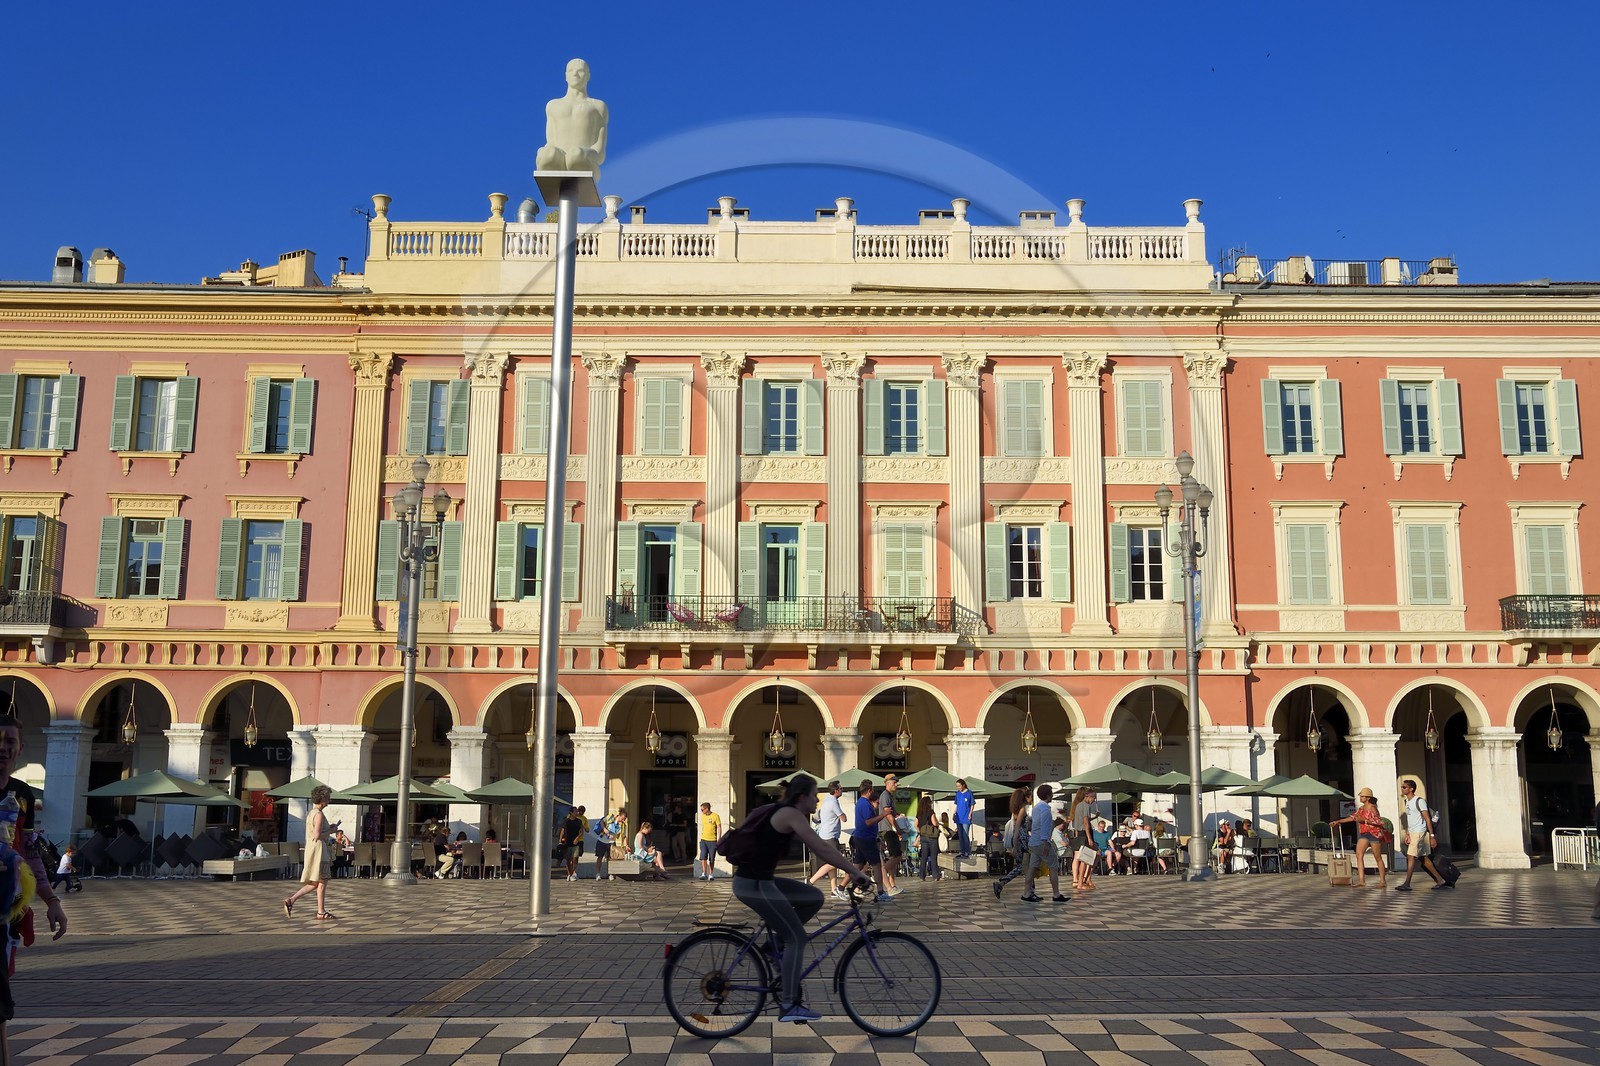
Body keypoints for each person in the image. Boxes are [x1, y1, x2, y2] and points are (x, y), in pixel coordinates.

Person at [731, 775, 872, 1025]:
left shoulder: (791, 813)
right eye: (814, 794)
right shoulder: (791, 814)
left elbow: (822, 849)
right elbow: (823, 848)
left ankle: (773, 945)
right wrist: (855, 871)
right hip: (754, 884)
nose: (817, 798)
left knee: (813, 896)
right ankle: (788, 1004)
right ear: (801, 797)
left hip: (763, 882)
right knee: (797, 937)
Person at [535, 58, 609, 178]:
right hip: (558, 159)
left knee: (575, 155)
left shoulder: (598, 106)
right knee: (549, 154)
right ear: (566, 75)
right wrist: (544, 153)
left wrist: (587, 155)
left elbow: (599, 148)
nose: (575, 73)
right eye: (571, 70)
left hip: (584, 158)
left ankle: (575, 159)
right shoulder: (553, 106)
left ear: (588, 76)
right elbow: (551, 141)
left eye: (580, 71)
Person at [283, 785, 336, 920]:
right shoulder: (319, 814)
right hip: (319, 851)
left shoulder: (311, 813)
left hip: (312, 849)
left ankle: (292, 900)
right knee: (322, 881)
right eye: (328, 797)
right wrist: (332, 831)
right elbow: (317, 835)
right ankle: (320, 911)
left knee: (316, 882)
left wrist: (327, 828)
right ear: (323, 799)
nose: (329, 800)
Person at [1397, 779, 1449, 892]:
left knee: (1411, 856)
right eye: (1402, 787)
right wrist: (1408, 833)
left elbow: (1427, 819)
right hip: (1413, 832)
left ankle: (1407, 883)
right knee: (1423, 858)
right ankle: (1440, 880)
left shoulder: (1419, 801)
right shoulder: (1407, 802)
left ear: (1411, 789)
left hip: (1419, 831)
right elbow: (1410, 819)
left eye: (1404, 787)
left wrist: (1432, 836)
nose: (1402, 788)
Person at [1331, 788, 1388, 888]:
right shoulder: (1361, 809)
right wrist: (1338, 821)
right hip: (1364, 834)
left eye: (1362, 796)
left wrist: (1364, 820)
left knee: (1377, 857)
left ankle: (1383, 881)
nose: (1360, 798)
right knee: (1359, 855)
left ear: (1368, 798)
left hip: (1374, 833)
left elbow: (1379, 822)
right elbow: (1352, 817)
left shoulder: (1372, 808)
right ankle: (1362, 880)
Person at [848, 782, 892, 902]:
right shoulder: (865, 804)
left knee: (857, 866)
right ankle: (881, 892)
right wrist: (883, 815)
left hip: (860, 837)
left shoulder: (860, 803)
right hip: (866, 838)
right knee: (876, 865)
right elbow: (868, 822)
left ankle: (845, 888)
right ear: (869, 791)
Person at [806, 781, 851, 898]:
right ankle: (811, 881)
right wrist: (843, 815)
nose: (842, 790)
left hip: (826, 835)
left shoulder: (827, 800)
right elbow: (844, 818)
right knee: (834, 862)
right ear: (836, 790)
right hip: (830, 836)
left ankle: (833, 889)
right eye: (841, 788)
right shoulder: (833, 803)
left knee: (832, 864)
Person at [1067, 788, 1097, 891]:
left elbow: (1079, 821)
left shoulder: (1078, 805)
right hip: (1084, 833)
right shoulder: (1086, 806)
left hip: (1078, 833)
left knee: (1085, 857)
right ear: (1089, 796)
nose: (1093, 801)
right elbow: (1085, 821)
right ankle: (1081, 882)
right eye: (1094, 798)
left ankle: (1084, 880)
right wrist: (1089, 838)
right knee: (1085, 858)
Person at [877, 774, 902, 891]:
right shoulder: (885, 796)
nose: (896, 785)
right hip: (887, 829)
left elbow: (892, 813)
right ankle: (880, 874)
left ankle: (892, 884)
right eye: (894, 782)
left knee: (893, 856)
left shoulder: (889, 796)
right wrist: (896, 827)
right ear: (887, 783)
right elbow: (887, 813)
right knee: (898, 856)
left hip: (888, 829)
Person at [916, 794, 941, 881]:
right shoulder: (930, 812)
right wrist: (937, 824)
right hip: (932, 837)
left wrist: (920, 831)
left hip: (923, 837)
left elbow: (915, 824)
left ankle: (922, 876)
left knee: (924, 857)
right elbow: (934, 823)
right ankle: (935, 875)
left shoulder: (919, 813)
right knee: (933, 856)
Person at [696, 802, 722, 881]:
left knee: (711, 858)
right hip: (704, 839)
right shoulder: (703, 816)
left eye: (702, 809)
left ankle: (711, 874)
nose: (701, 811)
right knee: (703, 857)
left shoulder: (715, 816)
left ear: (707, 809)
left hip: (712, 840)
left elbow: (719, 827)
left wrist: (719, 838)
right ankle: (704, 873)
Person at [558, 808, 585, 881]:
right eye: (575, 811)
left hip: (575, 842)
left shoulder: (579, 821)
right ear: (571, 812)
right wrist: (560, 841)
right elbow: (562, 831)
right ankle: (569, 874)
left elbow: (581, 831)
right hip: (567, 842)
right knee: (568, 859)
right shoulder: (566, 821)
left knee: (575, 858)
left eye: (577, 811)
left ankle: (573, 873)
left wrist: (578, 838)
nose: (577, 813)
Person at [952, 779, 975, 860]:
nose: (958, 787)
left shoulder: (969, 793)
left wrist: (970, 813)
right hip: (959, 816)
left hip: (966, 816)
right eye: (957, 786)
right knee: (960, 835)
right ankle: (962, 851)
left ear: (963, 785)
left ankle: (967, 851)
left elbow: (972, 804)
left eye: (959, 786)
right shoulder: (957, 794)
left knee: (965, 835)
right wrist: (954, 813)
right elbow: (957, 805)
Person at [594, 810, 616, 881]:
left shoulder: (621, 824)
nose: (623, 819)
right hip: (602, 840)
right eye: (623, 817)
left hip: (611, 841)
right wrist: (604, 829)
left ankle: (610, 874)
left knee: (611, 858)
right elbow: (601, 822)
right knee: (599, 857)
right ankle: (598, 874)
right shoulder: (611, 817)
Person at [668, 801, 689, 866]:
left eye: (677, 808)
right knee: (674, 845)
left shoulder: (683, 815)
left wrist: (677, 825)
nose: (676, 810)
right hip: (674, 832)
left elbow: (685, 824)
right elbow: (669, 819)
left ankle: (684, 857)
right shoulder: (674, 815)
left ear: (679, 809)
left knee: (682, 845)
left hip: (681, 831)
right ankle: (677, 857)